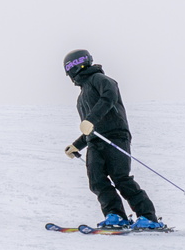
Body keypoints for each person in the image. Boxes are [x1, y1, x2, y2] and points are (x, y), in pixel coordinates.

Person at [63, 49, 165, 230]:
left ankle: (148, 218)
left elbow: (109, 97)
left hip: (116, 136)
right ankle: (116, 216)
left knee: (121, 178)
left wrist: (90, 120)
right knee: (96, 180)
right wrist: (77, 145)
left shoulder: (100, 79)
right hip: (95, 142)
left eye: (71, 67)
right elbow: (90, 129)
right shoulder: (81, 97)